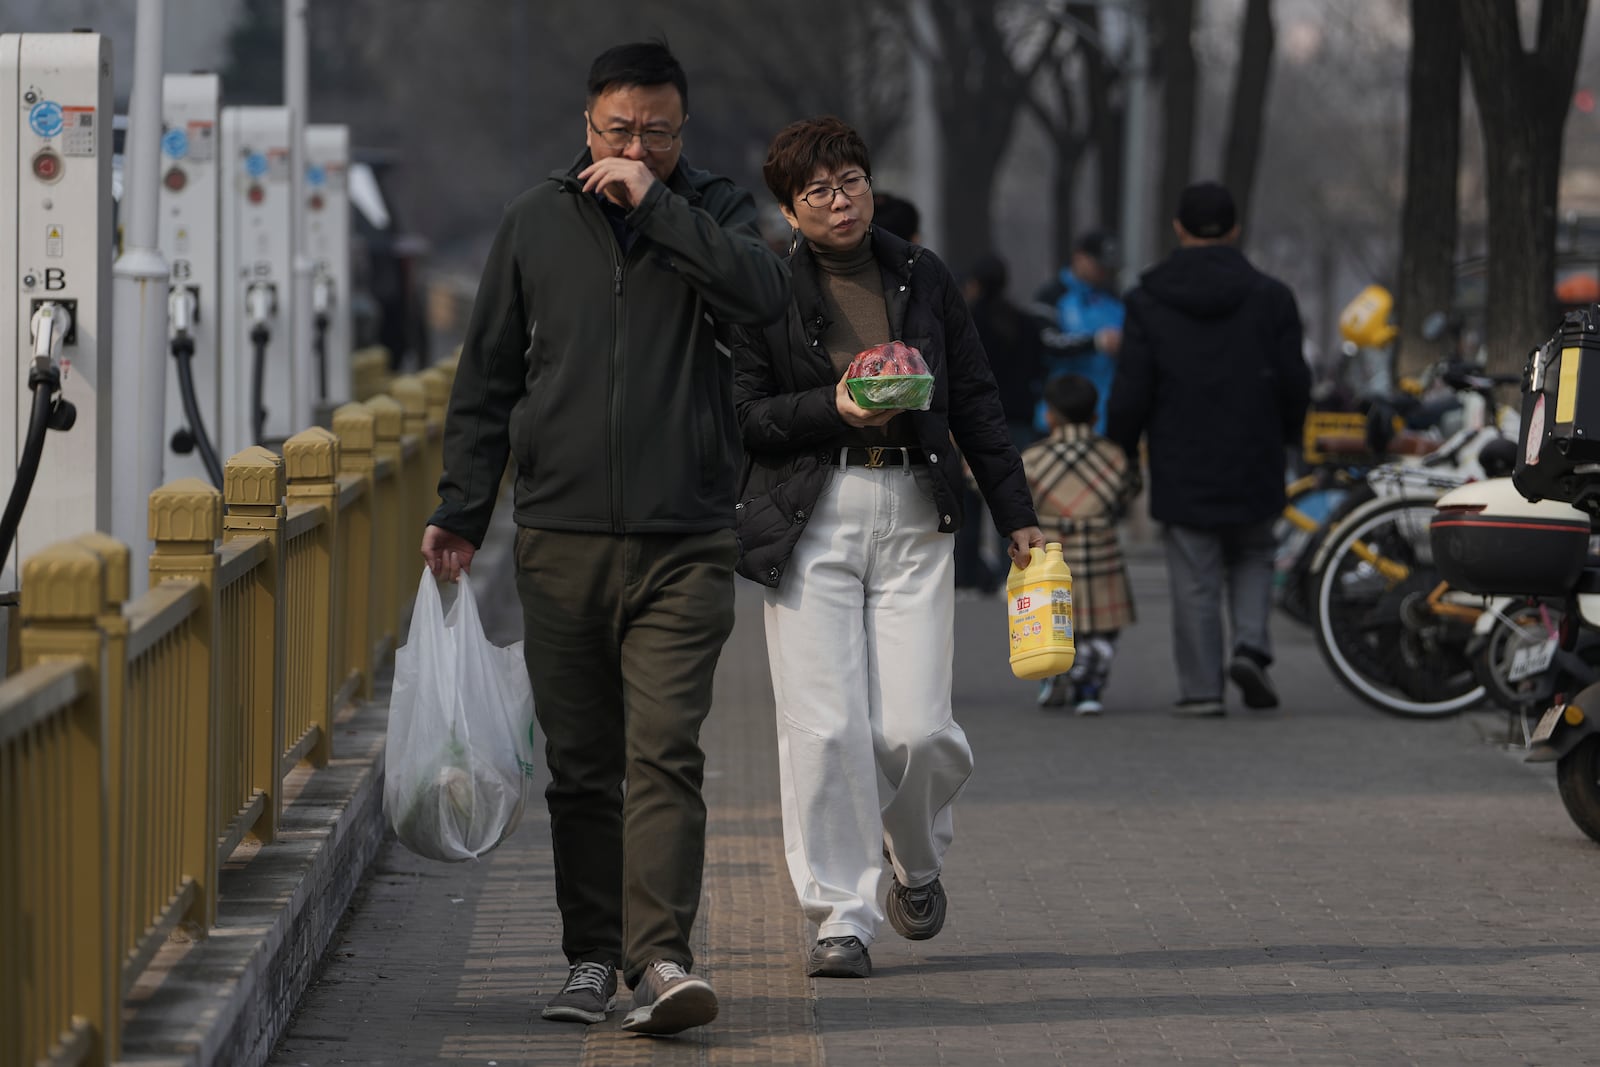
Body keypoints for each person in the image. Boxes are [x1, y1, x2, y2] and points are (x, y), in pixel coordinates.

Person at [419, 40, 787, 1034]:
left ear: (681, 130)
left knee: (665, 752)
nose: (638, 146)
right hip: (560, 536)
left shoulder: (711, 214)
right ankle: (591, 956)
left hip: (685, 537)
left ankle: (661, 957)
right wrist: (460, 509)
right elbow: (487, 380)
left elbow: (765, 294)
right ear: (587, 125)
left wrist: (657, 203)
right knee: (582, 763)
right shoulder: (536, 223)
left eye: (658, 132)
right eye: (620, 130)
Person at [731, 116, 1043, 980]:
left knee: (916, 727)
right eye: (819, 191)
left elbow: (976, 395)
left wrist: (1016, 512)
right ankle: (841, 914)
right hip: (809, 515)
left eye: (853, 181)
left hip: (914, 507)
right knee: (824, 729)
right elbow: (747, 413)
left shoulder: (921, 271)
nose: (842, 201)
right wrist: (837, 407)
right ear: (791, 210)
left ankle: (914, 851)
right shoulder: (764, 284)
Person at [1105, 180, 1310, 717]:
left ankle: (1201, 689)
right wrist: (1291, 436)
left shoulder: (1147, 299)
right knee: (1255, 552)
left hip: (1181, 450)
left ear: (1178, 228)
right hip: (1256, 445)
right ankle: (1250, 647)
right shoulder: (1272, 297)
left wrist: (1120, 446)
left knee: (1194, 571)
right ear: (1236, 228)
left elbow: (1132, 386)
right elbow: (1295, 380)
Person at [1021, 373, 1139, 714]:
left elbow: (1012, 493)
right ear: (1095, 416)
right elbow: (1129, 489)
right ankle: (1090, 685)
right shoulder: (1113, 455)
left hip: (1050, 551)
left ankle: (1055, 673)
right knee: (1101, 627)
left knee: (1052, 619)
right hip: (1100, 549)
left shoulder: (1035, 456)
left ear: (1049, 415)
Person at [1033, 231, 1124, 434]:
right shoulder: (1052, 295)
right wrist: (1095, 342)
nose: (1103, 272)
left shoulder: (1113, 297)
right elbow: (1046, 342)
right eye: (1097, 264)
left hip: (1103, 414)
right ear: (1079, 257)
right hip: (1060, 413)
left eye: (1107, 267)